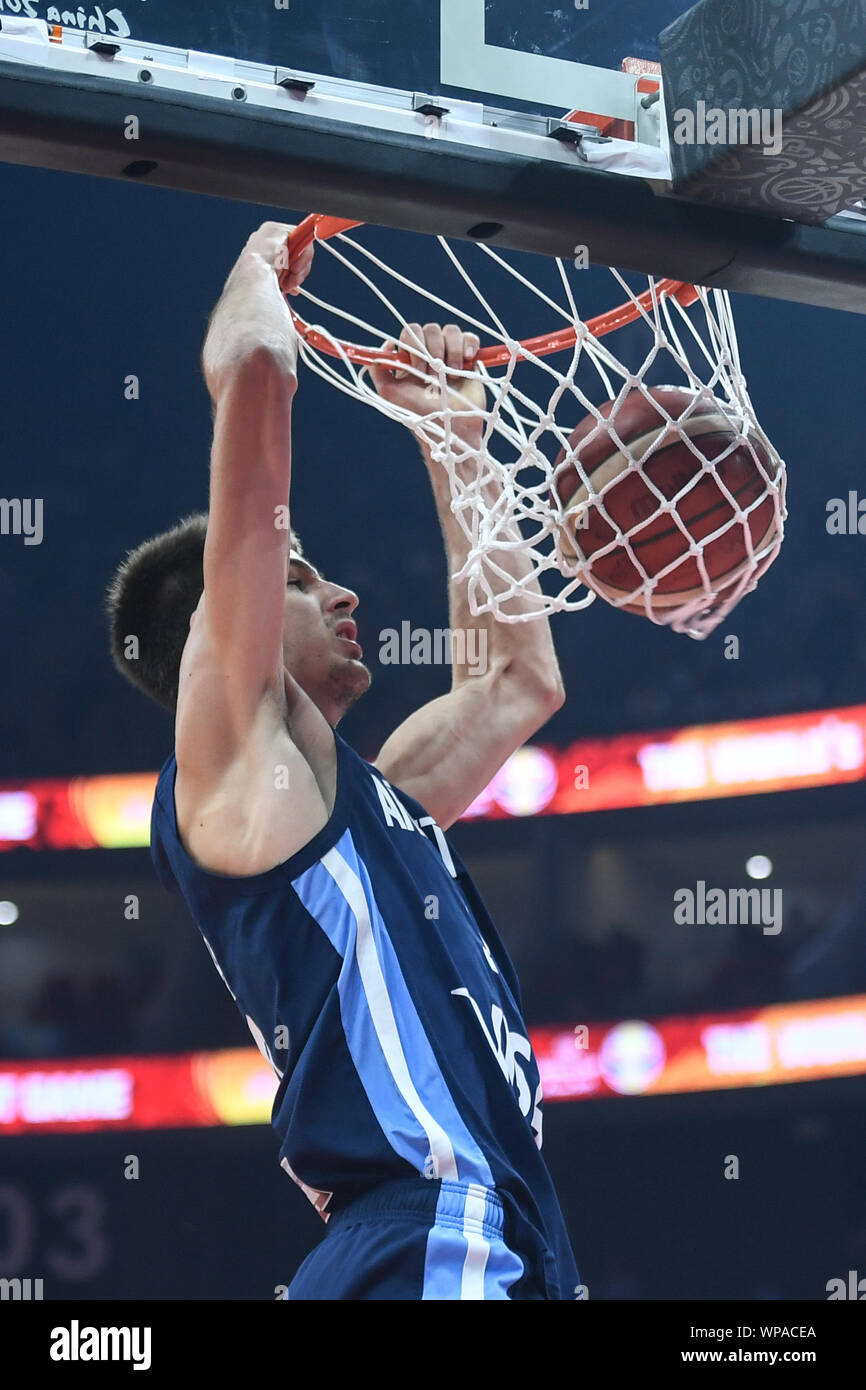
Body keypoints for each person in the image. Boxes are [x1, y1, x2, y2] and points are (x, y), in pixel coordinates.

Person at [106, 221, 580, 1300]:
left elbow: (515, 681)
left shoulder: (364, 805)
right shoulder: (235, 763)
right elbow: (263, 370)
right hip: (427, 1225)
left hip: (479, 1231)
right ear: (225, 627)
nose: (343, 594)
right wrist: (252, 267)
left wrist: (456, 439)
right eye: (307, 579)